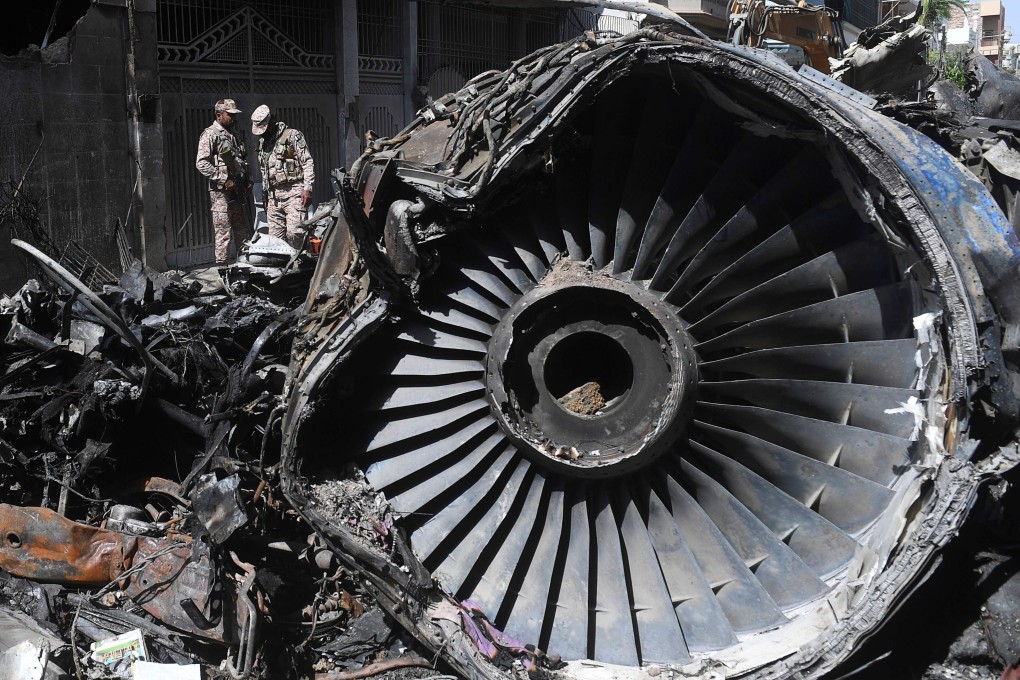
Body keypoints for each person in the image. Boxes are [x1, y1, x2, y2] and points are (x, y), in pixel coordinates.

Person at [195, 98, 251, 275]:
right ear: (219, 115)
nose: (234, 119)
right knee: (223, 232)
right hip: (222, 193)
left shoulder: (234, 133)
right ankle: (222, 270)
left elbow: (241, 160)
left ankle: (244, 267)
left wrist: (248, 179)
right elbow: (201, 163)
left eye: (235, 115)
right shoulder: (210, 134)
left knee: (241, 230)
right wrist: (223, 179)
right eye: (230, 115)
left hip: (238, 190)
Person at [250, 105, 315, 249]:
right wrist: (265, 193)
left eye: (264, 128)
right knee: (275, 240)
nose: (262, 133)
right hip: (274, 196)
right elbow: (264, 168)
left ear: (272, 122)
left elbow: (307, 162)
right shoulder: (263, 142)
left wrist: (308, 188)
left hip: (294, 192)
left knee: (295, 233)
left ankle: (304, 259)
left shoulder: (292, 136)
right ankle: (284, 268)